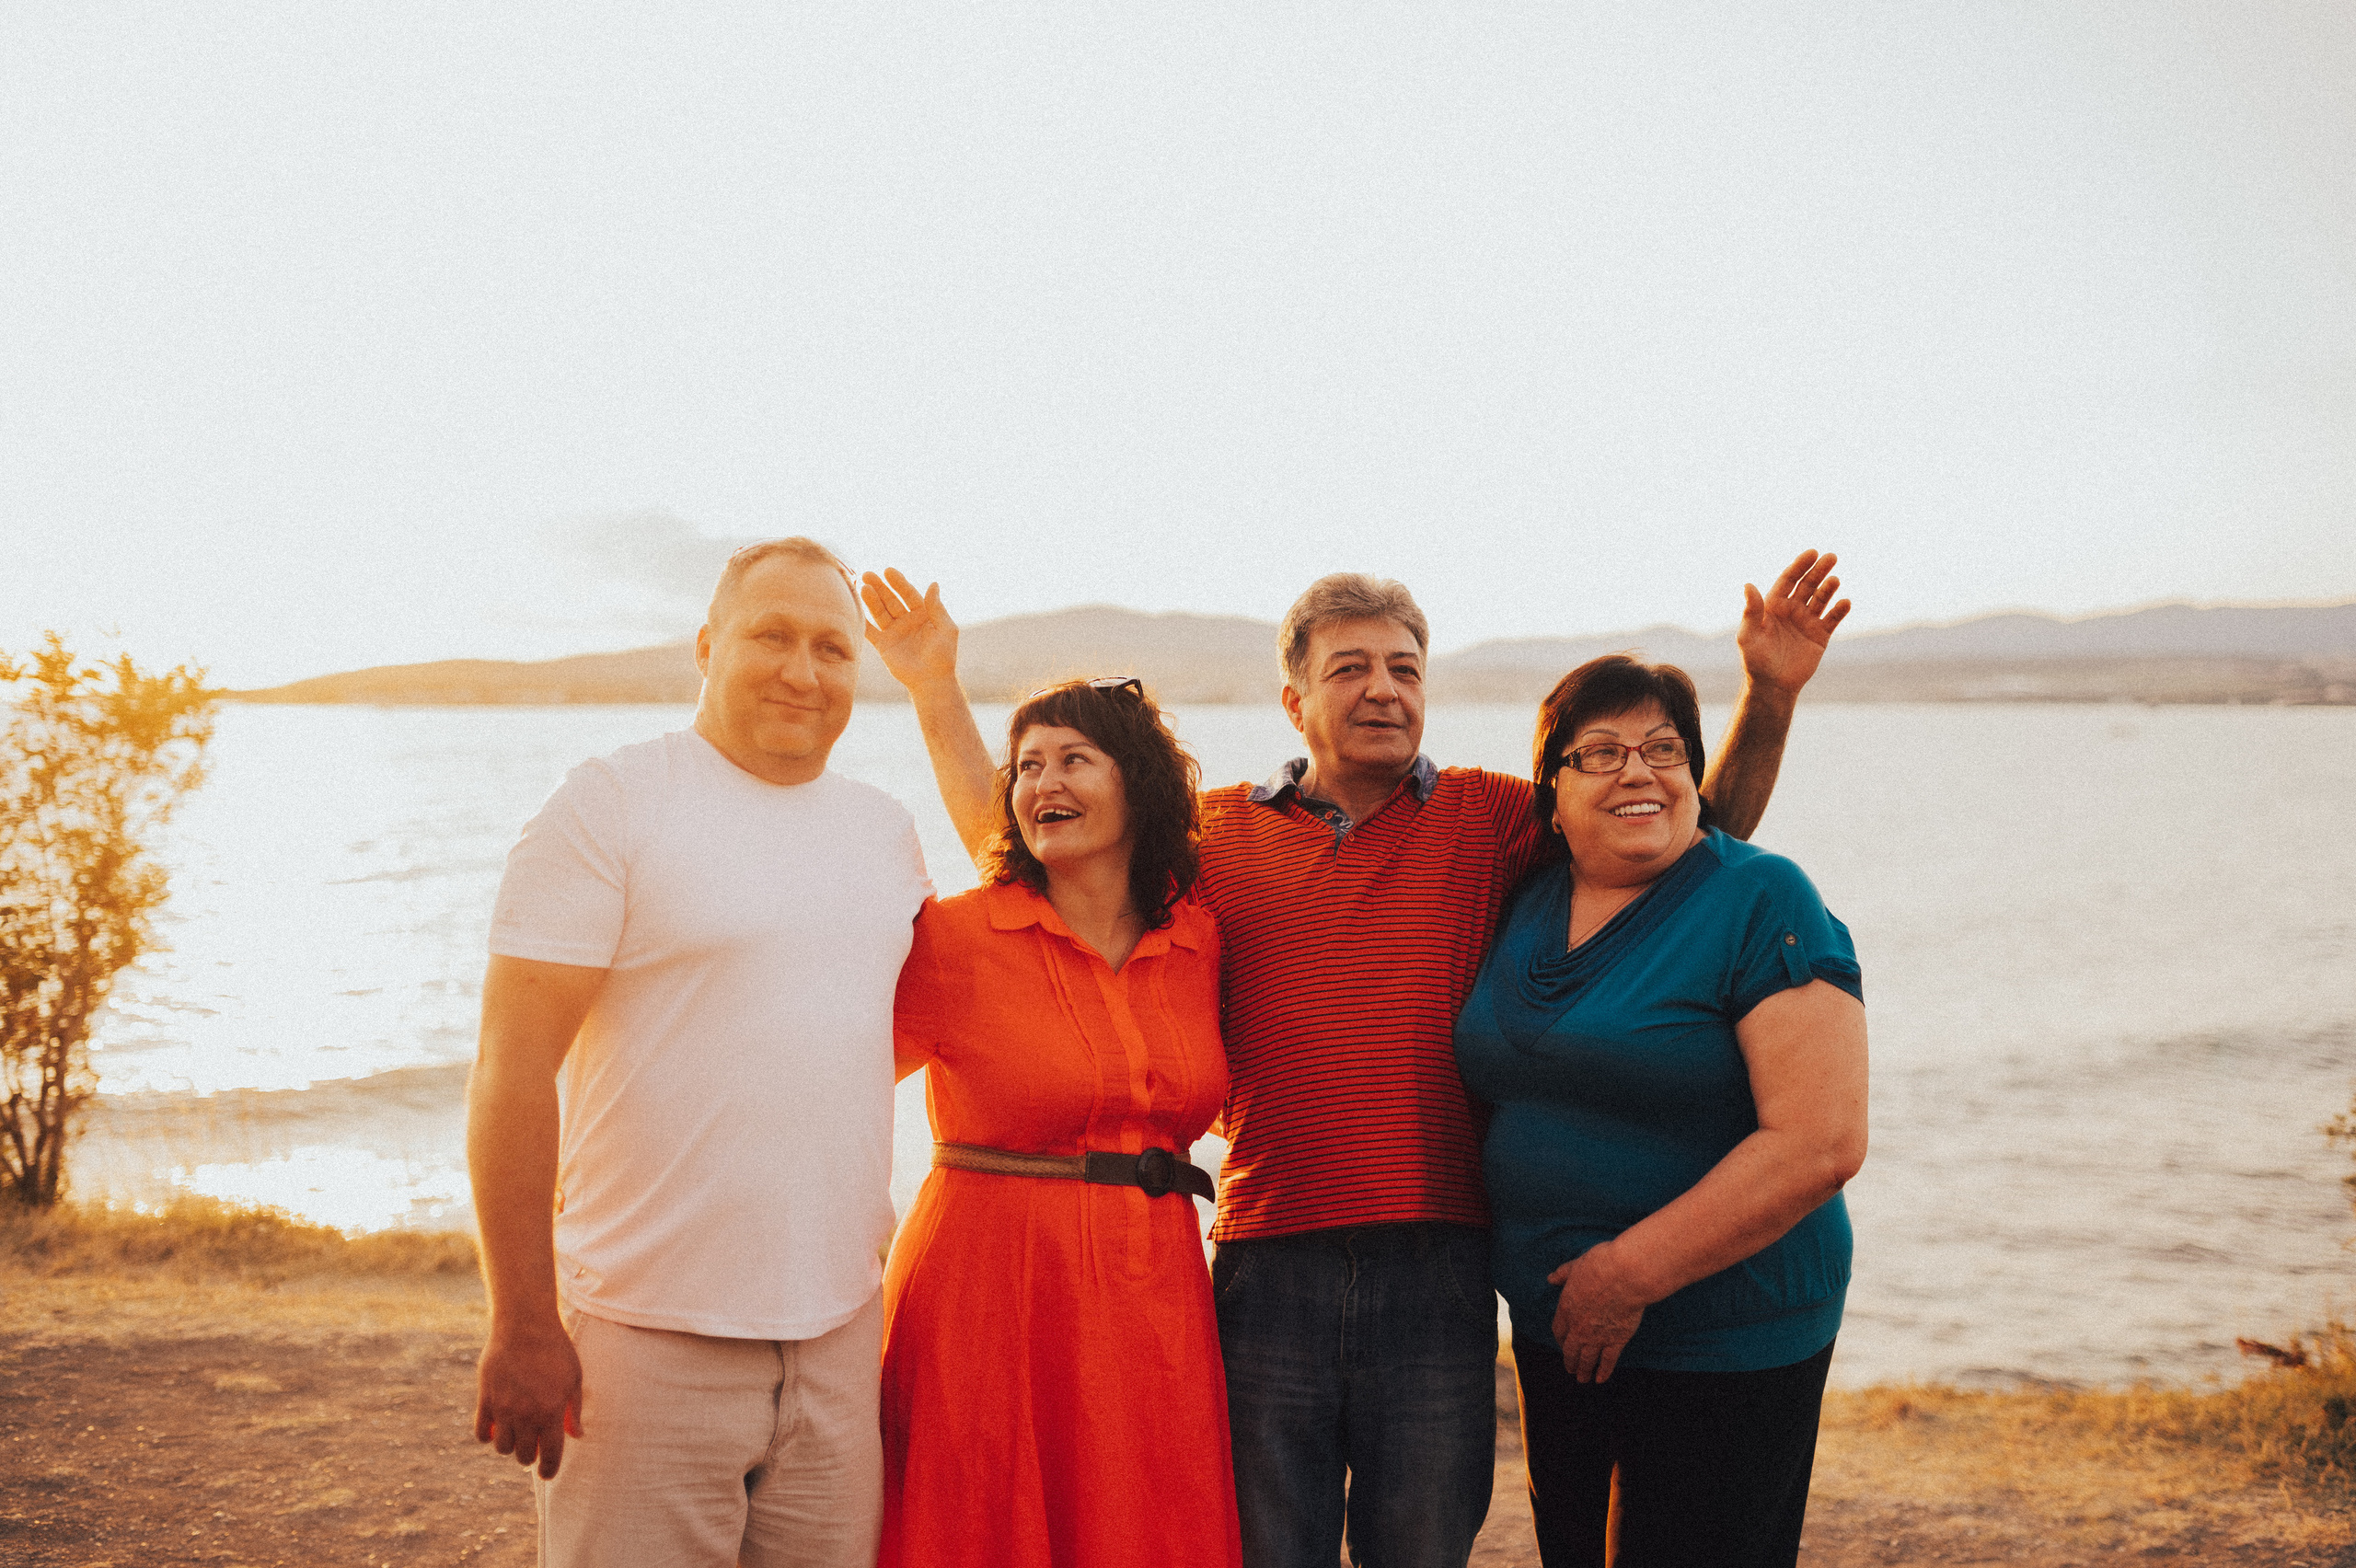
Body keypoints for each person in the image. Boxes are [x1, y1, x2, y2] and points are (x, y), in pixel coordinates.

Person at [860, 552, 1849, 1568]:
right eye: (1349, 669)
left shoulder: (1494, 817)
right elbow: (1047, 848)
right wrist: (935, 689)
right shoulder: (1218, 837)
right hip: (1265, 1258)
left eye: (1405, 668)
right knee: (1263, 1548)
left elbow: (1678, 832)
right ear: (1293, 701)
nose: (1383, 687)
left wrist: (1768, 696)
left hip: (1437, 1266)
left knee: (1419, 1548)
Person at [467, 537, 932, 1568]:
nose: (802, 671)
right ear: (707, 645)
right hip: (644, 1337)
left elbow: (871, 1032)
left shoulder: (884, 831)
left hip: (842, 1336)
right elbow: (511, 1067)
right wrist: (525, 1319)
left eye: (832, 647)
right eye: (770, 636)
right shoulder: (608, 805)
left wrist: (939, 693)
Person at [1452, 654, 1868, 1568]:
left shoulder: (1761, 897)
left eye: (1661, 748)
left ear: (1690, 777)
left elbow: (1819, 1142)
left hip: (1723, 1339)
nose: (1636, 770)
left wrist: (1627, 1275)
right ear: (1550, 793)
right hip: (1559, 1331)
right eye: (1599, 751)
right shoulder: (1526, 903)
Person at [878, 675, 1243, 1568]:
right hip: (988, 1292)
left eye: (1075, 759)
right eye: (1028, 766)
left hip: (1156, 1294)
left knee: (1143, 1525)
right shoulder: (955, 939)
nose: (1046, 782)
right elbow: (821, 1084)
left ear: (1139, 785)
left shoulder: (1198, 940)